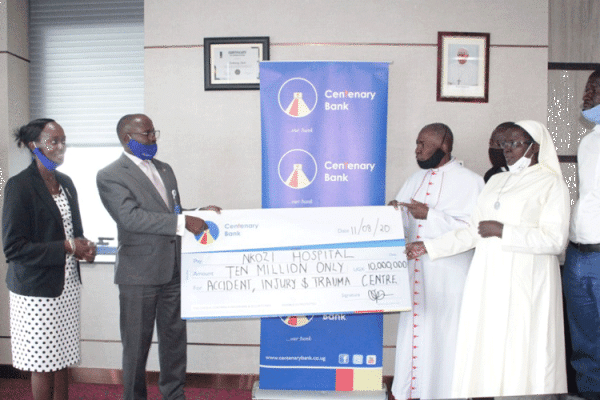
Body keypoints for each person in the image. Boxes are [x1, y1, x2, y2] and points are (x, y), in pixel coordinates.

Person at [406, 120, 570, 397]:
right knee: (492, 351)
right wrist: (429, 246)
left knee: (523, 352)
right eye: (504, 143)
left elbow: (555, 240)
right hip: (489, 279)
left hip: (527, 282)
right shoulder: (496, 181)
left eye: (515, 143)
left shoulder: (551, 183)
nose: (507, 148)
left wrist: (505, 231)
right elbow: (473, 231)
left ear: (535, 147)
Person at [96, 114, 220, 400]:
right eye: (147, 134)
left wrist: (199, 212)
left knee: (175, 342)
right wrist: (182, 222)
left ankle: (174, 395)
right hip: (138, 275)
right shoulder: (110, 174)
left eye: (154, 133)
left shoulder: (164, 169)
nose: (153, 139)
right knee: (136, 347)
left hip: (174, 271)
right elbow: (130, 218)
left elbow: (172, 213)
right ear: (127, 137)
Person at [388, 123, 483, 400]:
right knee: (416, 332)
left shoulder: (472, 181)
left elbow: (475, 231)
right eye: (417, 144)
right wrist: (396, 212)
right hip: (415, 272)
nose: (417, 150)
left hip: (449, 275)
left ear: (444, 145)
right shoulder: (414, 179)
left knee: (445, 337)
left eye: (423, 144)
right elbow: (403, 225)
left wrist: (431, 215)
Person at [2, 118, 96, 400]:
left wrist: (84, 247)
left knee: (62, 359)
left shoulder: (65, 183)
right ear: (34, 146)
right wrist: (67, 246)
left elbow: (74, 232)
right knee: (42, 363)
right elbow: (14, 248)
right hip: (35, 292)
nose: (60, 147)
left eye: (63, 141)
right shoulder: (19, 186)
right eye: (53, 141)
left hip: (66, 287)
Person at [563, 68, 600, 399]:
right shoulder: (589, 141)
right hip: (578, 255)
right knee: (585, 343)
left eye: (594, 88)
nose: (586, 94)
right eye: (587, 88)